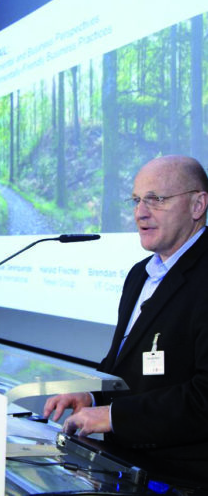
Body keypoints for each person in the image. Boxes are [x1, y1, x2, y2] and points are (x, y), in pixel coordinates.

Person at [43, 155, 208, 485]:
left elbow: (204, 398)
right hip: (123, 465)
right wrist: (92, 396)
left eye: (156, 199)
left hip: (181, 477)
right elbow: (126, 365)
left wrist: (113, 416)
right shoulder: (139, 275)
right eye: (136, 200)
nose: (140, 212)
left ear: (197, 205)